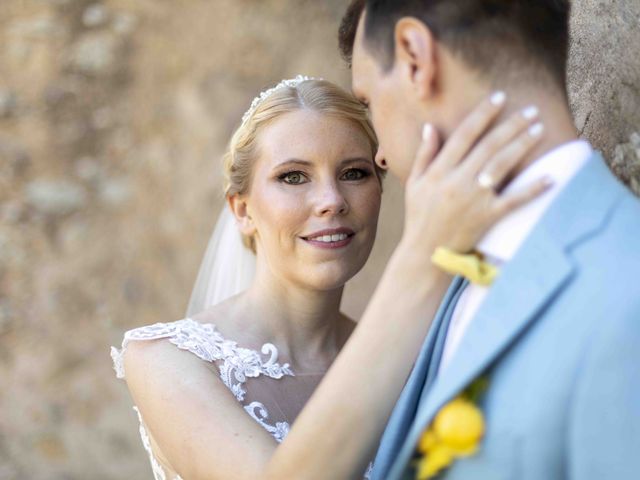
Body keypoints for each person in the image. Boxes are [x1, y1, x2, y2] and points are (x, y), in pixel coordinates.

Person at [111, 76, 548, 479]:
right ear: (242, 210)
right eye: (293, 177)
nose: (331, 200)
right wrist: (425, 259)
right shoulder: (166, 360)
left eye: (354, 173)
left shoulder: (418, 365)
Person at [338, 1, 640, 479]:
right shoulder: (446, 268)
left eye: (369, 101)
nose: (379, 155)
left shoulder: (626, 290)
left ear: (416, 59)